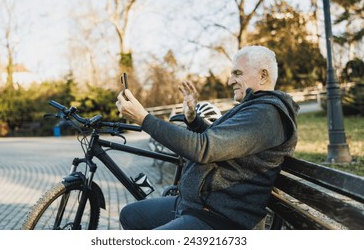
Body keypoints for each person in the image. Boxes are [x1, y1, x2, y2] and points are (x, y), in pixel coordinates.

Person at [115, 45, 299, 230]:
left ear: (263, 76)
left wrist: (143, 118)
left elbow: (204, 148)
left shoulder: (266, 115)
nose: (229, 81)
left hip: (220, 219)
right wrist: (193, 119)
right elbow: (220, 140)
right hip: (197, 206)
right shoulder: (256, 108)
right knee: (130, 214)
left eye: (237, 73)